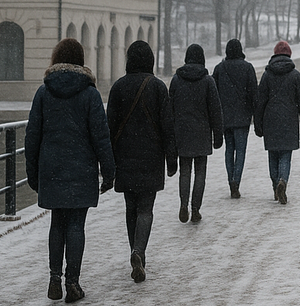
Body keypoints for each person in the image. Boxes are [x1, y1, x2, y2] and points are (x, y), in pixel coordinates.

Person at [24, 38, 115, 304]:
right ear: (80, 60)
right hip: (82, 168)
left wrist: (33, 171)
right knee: (76, 224)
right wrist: (108, 171)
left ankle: (54, 278)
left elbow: (33, 135)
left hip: (51, 167)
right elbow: (101, 136)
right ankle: (72, 281)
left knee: (57, 223)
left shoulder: (44, 92)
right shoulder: (90, 94)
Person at [106, 40, 177, 284]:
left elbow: (109, 128)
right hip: (151, 155)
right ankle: (139, 251)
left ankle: (136, 253)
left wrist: (107, 164)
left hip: (124, 156)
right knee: (146, 208)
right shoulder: (157, 88)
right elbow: (167, 126)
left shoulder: (118, 88)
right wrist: (171, 158)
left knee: (130, 208)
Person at [169, 44, 223, 223]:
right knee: (200, 173)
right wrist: (218, 135)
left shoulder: (177, 80)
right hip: (202, 132)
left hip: (182, 132)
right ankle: (195, 208)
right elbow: (215, 110)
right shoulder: (207, 81)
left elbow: (170, 109)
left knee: (184, 171)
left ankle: (183, 204)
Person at [255, 40, 300, 204]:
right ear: (289, 55)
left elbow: (260, 101)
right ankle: (282, 181)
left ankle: (275, 187)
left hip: (270, 119)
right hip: (289, 119)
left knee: (273, 154)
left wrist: (258, 124)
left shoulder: (267, 75)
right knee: (285, 154)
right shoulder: (295, 75)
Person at [213, 38, 257, 198]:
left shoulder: (219, 68)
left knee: (229, 150)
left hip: (225, 117)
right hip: (242, 117)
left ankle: (230, 179)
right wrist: (254, 112)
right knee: (241, 151)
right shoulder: (248, 68)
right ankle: (236, 181)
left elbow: (214, 94)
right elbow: (254, 93)